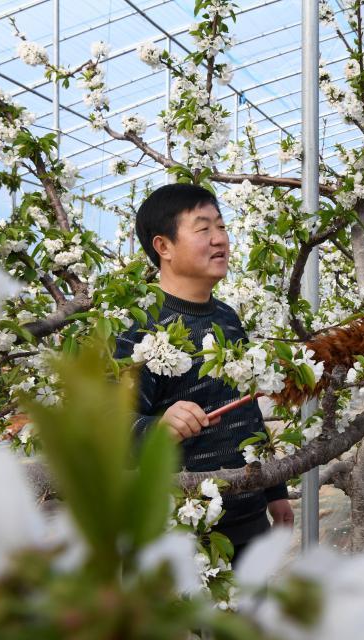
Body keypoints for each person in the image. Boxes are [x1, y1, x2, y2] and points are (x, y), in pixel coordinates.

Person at [115, 183, 293, 561]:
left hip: (250, 519)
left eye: (222, 226)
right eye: (203, 229)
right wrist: (157, 426)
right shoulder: (140, 327)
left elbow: (244, 406)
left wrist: (275, 491)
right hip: (184, 532)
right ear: (163, 247)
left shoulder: (227, 316)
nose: (220, 240)